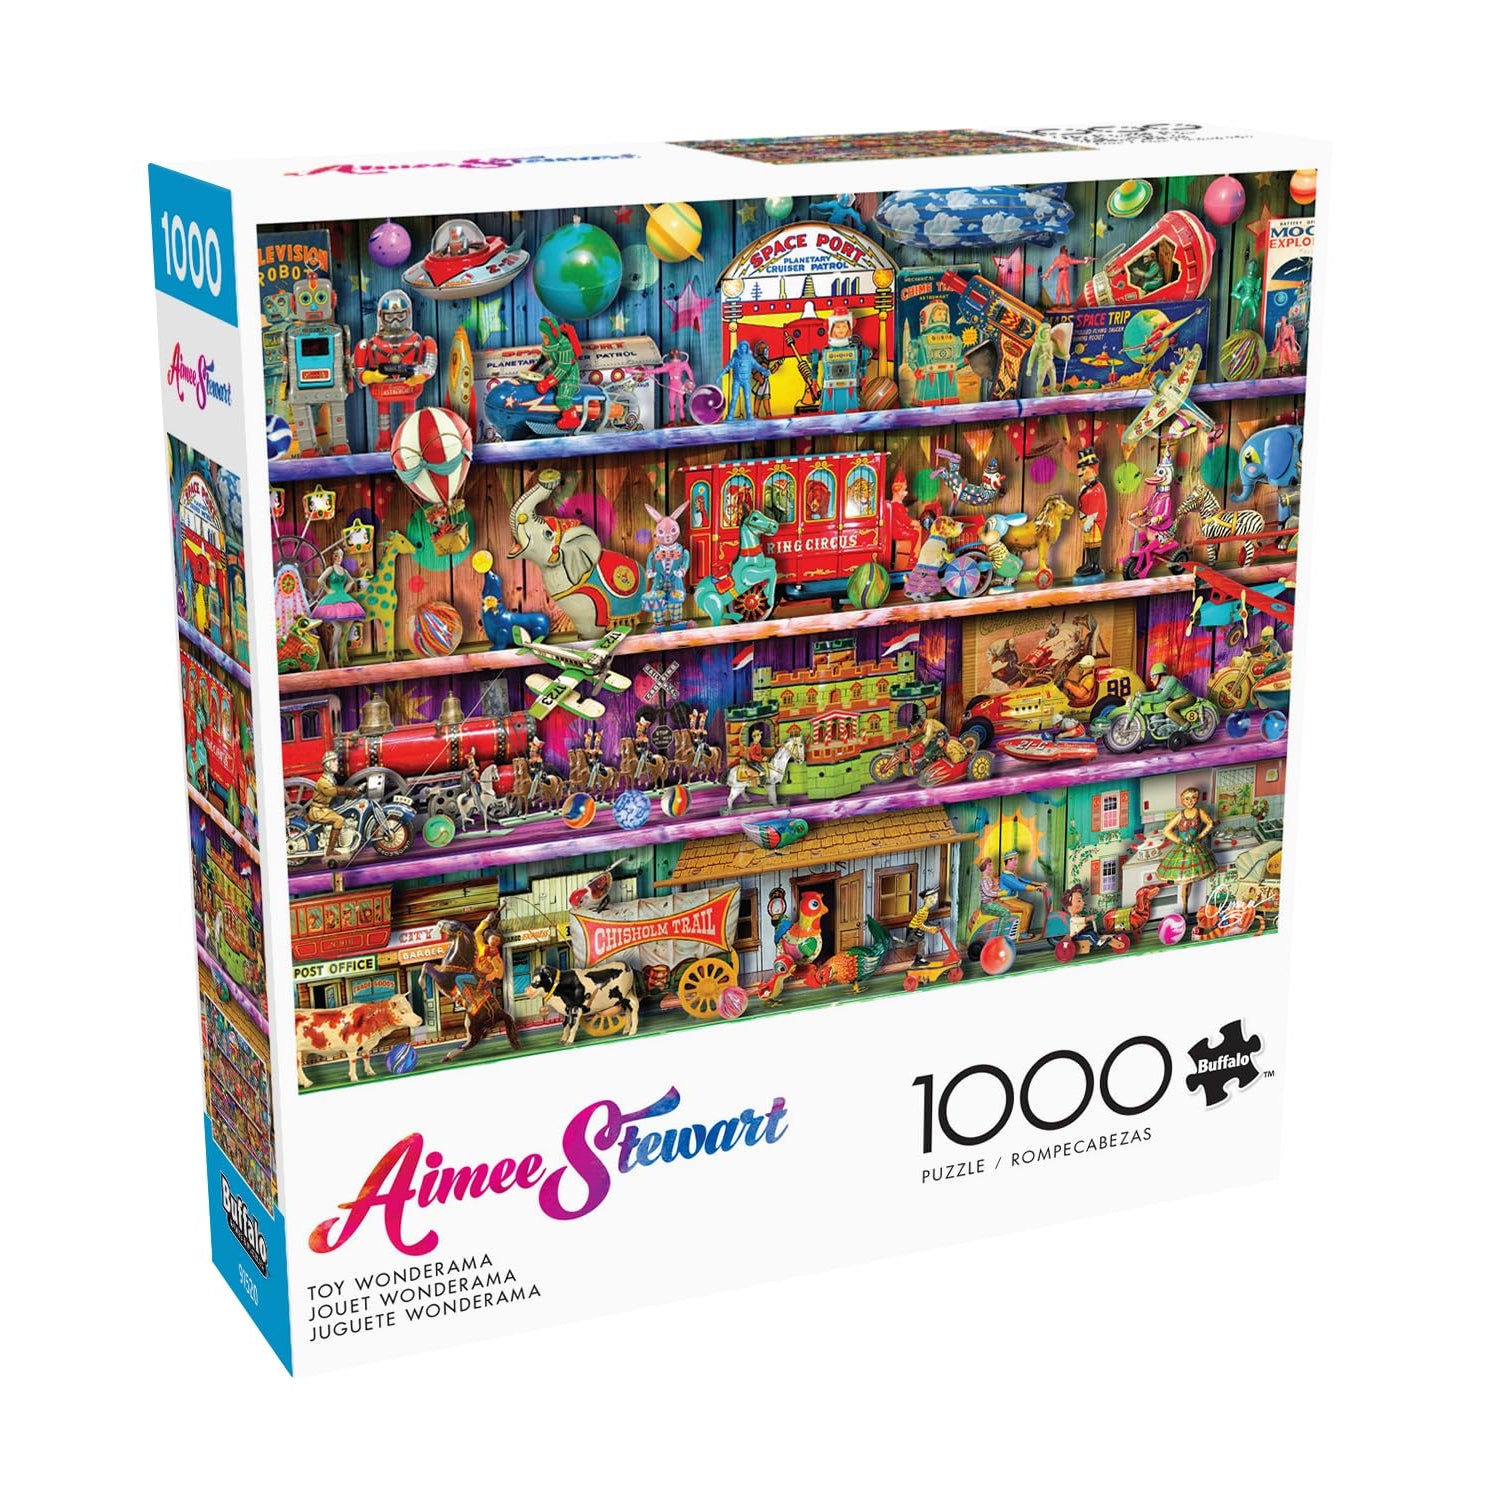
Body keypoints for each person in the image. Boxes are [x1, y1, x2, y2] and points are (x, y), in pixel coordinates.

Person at [1157, 786, 1218, 915]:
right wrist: (1179, 841)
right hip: (1183, 849)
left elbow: (1210, 823)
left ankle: (1187, 909)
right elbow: (1166, 830)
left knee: (1190, 880)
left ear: (1197, 799)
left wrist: (1200, 836)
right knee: (1185, 881)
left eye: (1193, 798)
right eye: (1187, 798)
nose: (1190, 801)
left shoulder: (1199, 812)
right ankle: (1185, 908)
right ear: (1182, 800)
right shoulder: (1180, 815)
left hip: (1195, 848)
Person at [305, 753, 348, 856]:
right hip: (318, 811)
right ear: (328, 765)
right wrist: (349, 790)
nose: (337, 763)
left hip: (323, 808)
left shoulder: (330, 779)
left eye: (336, 760)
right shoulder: (323, 782)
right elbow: (331, 792)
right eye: (333, 761)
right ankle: (330, 850)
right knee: (339, 820)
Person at [1137, 660, 1197, 726]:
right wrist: (1142, 695)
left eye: (1152, 676)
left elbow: (1162, 696)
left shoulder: (1171, 680)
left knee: (1169, 710)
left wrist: (1143, 698)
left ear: (1158, 675)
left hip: (1186, 698)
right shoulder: (1161, 684)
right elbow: (1156, 693)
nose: (1151, 680)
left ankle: (1185, 724)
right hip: (1179, 699)